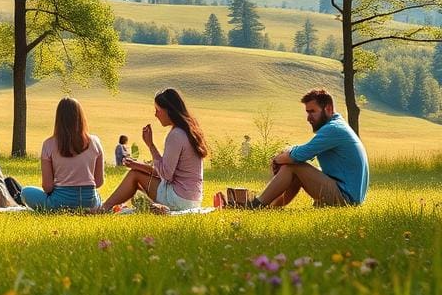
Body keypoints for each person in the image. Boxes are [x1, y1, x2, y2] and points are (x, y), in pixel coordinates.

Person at [230, 89, 368, 208]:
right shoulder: (336, 126)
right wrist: (287, 152)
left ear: (328, 109)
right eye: (307, 112)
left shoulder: (333, 129)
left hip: (346, 198)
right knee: (294, 165)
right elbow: (302, 150)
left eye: (312, 111)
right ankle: (271, 206)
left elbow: (299, 155)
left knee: (293, 166)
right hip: (348, 194)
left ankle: (256, 205)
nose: (308, 118)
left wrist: (278, 159)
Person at [98, 88, 208, 212]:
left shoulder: (176, 135)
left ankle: (103, 208)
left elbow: (165, 175)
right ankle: (109, 206)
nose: (156, 114)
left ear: (168, 111)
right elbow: (165, 171)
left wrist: (150, 145)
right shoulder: (190, 131)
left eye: (158, 110)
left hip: (179, 199)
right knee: (136, 173)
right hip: (192, 198)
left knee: (134, 175)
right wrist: (138, 165)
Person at [21, 98, 104, 211]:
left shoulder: (48, 144)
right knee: (98, 197)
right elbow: (98, 182)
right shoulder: (95, 142)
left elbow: (48, 187)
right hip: (89, 201)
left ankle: (65, 208)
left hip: (59, 203)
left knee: (25, 192)